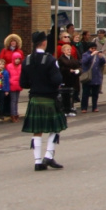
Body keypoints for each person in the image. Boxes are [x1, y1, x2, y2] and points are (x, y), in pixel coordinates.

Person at [20, 31, 66, 171]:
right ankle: (48, 155)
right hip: (49, 98)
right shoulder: (50, 60)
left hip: (34, 98)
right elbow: (57, 80)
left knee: (37, 130)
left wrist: (35, 84)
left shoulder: (27, 60)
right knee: (55, 128)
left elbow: (23, 83)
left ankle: (38, 161)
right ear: (44, 42)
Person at [0, 34, 24, 122]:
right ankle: (6, 111)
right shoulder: (4, 51)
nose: (13, 43)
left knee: (14, 97)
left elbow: (21, 62)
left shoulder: (19, 52)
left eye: (15, 41)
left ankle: (12, 112)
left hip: (15, 74)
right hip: (6, 73)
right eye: (12, 41)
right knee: (6, 94)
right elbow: (1, 60)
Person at [55, 36, 80, 119]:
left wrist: (78, 70)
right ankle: (65, 109)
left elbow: (78, 65)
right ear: (63, 51)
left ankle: (70, 108)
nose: (69, 51)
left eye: (70, 50)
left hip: (73, 79)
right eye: (67, 50)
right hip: (66, 79)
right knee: (65, 95)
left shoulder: (73, 58)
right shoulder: (61, 59)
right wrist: (69, 70)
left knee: (72, 94)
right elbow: (61, 69)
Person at [81, 40, 106, 114]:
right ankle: (84, 107)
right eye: (92, 48)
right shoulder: (86, 54)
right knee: (85, 94)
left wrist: (101, 57)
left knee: (95, 94)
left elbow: (103, 63)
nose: (94, 50)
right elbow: (84, 62)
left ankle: (94, 107)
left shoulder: (97, 55)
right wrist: (91, 55)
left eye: (95, 48)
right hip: (88, 77)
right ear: (89, 48)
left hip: (96, 77)